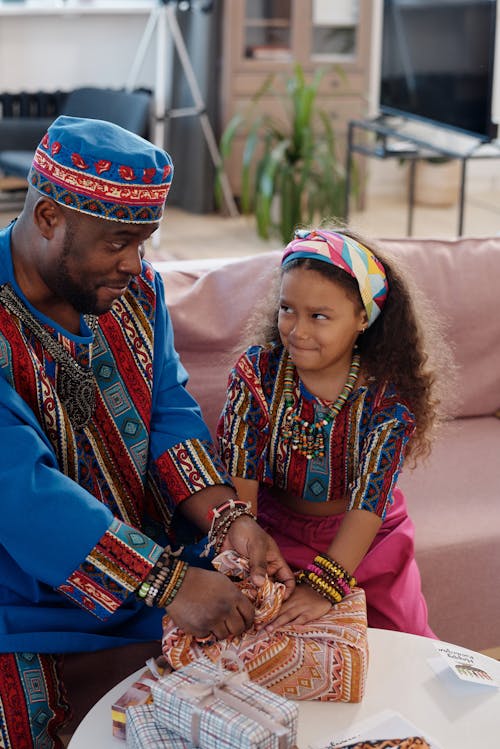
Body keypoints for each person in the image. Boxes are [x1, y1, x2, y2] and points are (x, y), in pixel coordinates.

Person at [0, 115, 293, 748]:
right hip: (24, 602)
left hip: (150, 568)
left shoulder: (135, 294)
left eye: (146, 241)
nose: (136, 263)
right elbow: (17, 490)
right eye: (118, 242)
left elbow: (167, 410)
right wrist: (170, 585)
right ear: (49, 217)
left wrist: (225, 516)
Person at [217, 227, 453, 638]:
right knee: (258, 634)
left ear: (363, 318)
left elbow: (370, 499)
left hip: (364, 542)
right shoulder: (257, 374)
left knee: (396, 645)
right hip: (273, 533)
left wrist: (327, 587)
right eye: (287, 309)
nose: (297, 330)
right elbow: (241, 476)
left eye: (319, 316)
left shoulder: (387, 402)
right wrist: (248, 561)